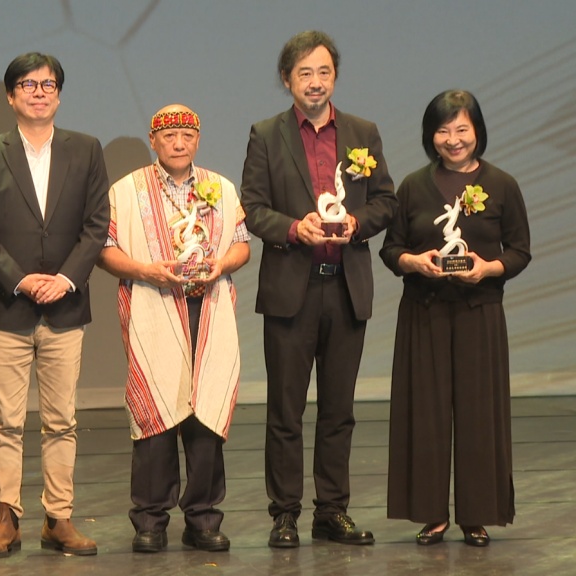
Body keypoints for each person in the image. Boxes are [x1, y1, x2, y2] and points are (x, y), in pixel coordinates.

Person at [239, 30, 397, 548]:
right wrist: (293, 228)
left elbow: (386, 201)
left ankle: (331, 511)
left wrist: (356, 222)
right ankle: (284, 513)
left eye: (324, 72)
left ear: (335, 77)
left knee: (339, 410)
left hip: (346, 288)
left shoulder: (362, 132)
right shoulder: (267, 134)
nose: (315, 82)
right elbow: (253, 208)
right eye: (304, 73)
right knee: (285, 411)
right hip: (293, 288)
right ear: (287, 80)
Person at [0, 52, 109, 558]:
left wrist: (65, 279)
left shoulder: (86, 150)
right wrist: (22, 279)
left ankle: (58, 518)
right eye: (28, 84)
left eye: (48, 84)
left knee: (62, 419)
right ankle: (6, 517)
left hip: (66, 306)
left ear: (59, 95)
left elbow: (97, 224)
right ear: (11, 96)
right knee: (5, 420)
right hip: (7, 307)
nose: (39, 92)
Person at [98, 104, 250, 553]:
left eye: (187, 135)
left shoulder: (220, 187)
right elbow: (105, 249)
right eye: (169, 136)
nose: (179, 143)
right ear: (154, 140)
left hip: (210, 310)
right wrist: (146, 270)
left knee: (206, 412)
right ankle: (150, 520)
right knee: (155, 412)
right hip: (153, 307)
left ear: (198, 139)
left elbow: (242, 245)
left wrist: (221, 265)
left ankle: (203, 519)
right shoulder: (126, 190)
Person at [380, 90, 530, 547]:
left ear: (477, 131)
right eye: (443, 130)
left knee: (479, 414)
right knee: (424, 414)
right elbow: (391, 248)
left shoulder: (502, 184)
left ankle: (476, 515)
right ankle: (431, 514)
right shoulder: (413, 186)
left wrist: (488, 268)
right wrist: (412, 262)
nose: (453, 139)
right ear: (431, 136)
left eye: (462, 129)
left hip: (478, 313)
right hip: (423, 313)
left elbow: (520, 250)